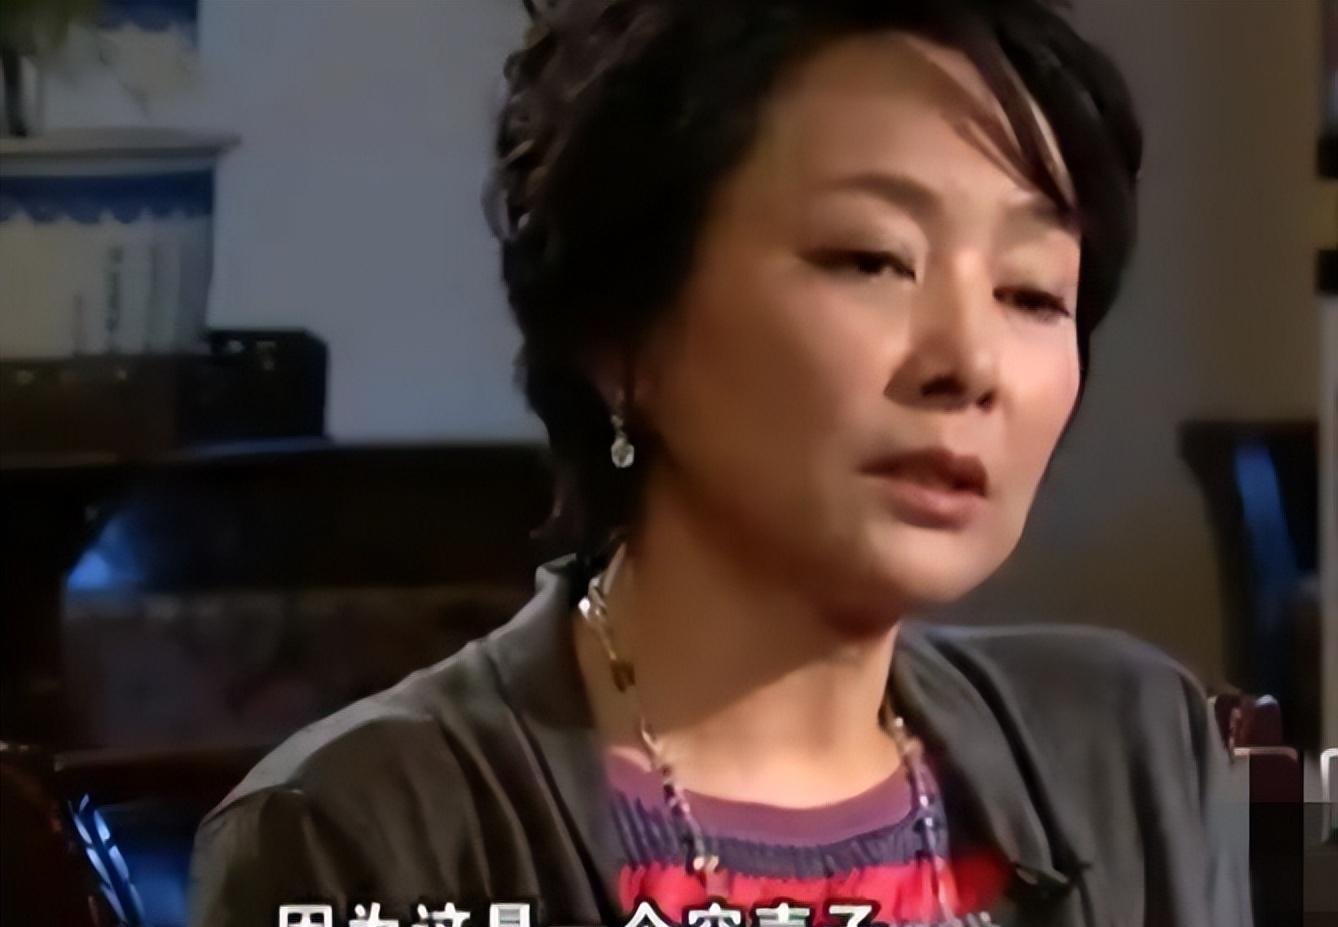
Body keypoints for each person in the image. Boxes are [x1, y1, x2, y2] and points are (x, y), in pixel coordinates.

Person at [188, 2, 1252, 925]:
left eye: (1032, 293)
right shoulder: (368, 834)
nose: (970, 365)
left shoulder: (1130, 753)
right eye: (871, 259)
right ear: (624, 333)